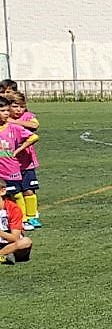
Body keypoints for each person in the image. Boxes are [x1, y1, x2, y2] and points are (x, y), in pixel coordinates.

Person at [5, 90, 40, 228]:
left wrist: (14, 121)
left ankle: (32, 217)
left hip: (27, 163)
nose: (19, 110)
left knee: (29, 190)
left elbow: (34, 125)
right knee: (14, 192)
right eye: (15, 106)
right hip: (9, 164)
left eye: (22, 106)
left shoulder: (27, 116)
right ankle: (21, 218)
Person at [0, 100, 37, 218]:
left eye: (7, 110)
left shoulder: (13, 127)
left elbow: (34, 137)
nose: (6, 113)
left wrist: (18, 150)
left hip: (10, 167)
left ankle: (25, 219)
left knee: (15, 193)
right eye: (2, 111)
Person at [1, 184, 33, 263]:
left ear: (2, 191)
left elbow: (15, 238)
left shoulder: (12, 208)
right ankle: (4, 256)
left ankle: (4, 254)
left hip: (12, 245)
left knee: (26, 242)